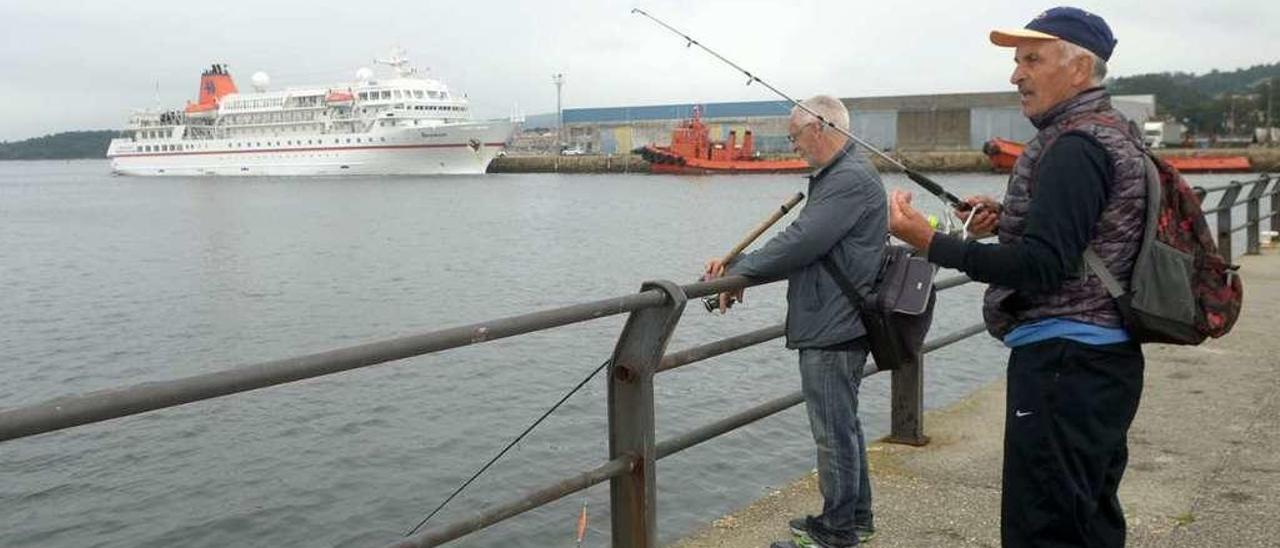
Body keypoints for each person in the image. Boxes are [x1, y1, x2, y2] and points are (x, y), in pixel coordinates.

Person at [887, 7, 1146, 547]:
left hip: (1064, 364)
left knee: (1044, 527)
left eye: (1032, 59)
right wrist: (1008, 219)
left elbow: (1043, 267)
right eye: (1015, 61)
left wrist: (930, 243)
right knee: (1088, 519)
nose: (1015, 75)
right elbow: (1081, 238)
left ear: (1079, 70)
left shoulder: (1074, 146)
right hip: (1097, 360)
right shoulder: (1108, 132)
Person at [703, 95, 886, 547]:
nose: (793, 143)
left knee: (832, 432)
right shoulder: (846, 175)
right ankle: (855, 517)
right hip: (839, 318)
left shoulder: (847, 180)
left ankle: (837, 531)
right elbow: (806, 243)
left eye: (795, 135)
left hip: (834, 323)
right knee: (843, 425)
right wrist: (746, 266)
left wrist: (742, 268)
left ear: (819, 128)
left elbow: (802, 241)